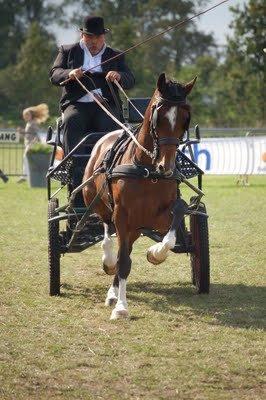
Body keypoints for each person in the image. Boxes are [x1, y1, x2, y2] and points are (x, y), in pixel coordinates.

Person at [49, 15, 135, 154]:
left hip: (105, 105)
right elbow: (54, 74)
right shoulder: (68, 51)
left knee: (110, 123)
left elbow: (130, 79)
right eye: (90, 37)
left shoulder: (115, 55)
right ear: (82, 35)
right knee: (72, 120)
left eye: (98, 37)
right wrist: (69, 73)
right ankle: (74, 165)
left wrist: (119, 76)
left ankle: (108, 165)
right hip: (77, 104)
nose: (94, 42)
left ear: (104, 37)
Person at [17, 103, 49, 183]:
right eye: (25, 115)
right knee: (28, 160)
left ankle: (25, 176)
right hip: (28, 144)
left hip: (31, 144)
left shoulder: (33, 123)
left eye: (27, 115)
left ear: (32, 115)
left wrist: (34, 142)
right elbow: (29, 133)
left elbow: (37, 133)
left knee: (26, 159)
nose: (25, 117)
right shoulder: (29, 123)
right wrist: (22, 132)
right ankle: (27, 175)